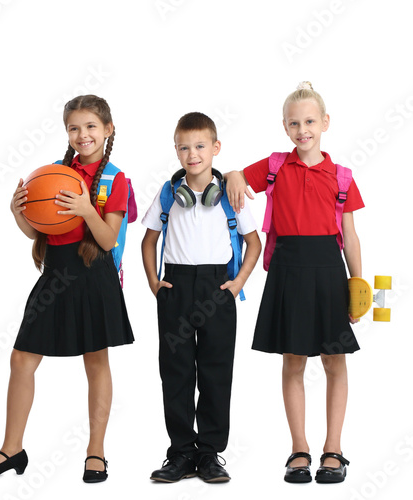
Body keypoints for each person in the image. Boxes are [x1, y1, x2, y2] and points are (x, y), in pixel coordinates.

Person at [0, 95, 134, 483]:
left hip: (95, 274)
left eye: (91, 126)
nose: (82, 134)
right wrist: (18, 212)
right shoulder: (56, 173)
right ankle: (12, 449)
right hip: (56, 273)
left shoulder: (115, 179)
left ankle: (96, 452)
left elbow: (109, 240)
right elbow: (39, 231)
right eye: (74, 128)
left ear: (108, 130)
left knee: (95, 362)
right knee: (21, 359)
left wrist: (86, 208)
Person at [225, 82, 364, 484]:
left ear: (325, 123)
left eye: (309, 121)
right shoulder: (274, 166)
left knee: (335, 361)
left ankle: (333, 449)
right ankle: (299, 449)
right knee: (293, 361)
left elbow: (351, 237)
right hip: (287, 270)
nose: (302, 129)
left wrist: (359, 284)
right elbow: (237, 176)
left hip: (329, 272)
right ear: (285, 127)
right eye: (294, 123)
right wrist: (234, 174)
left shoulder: (341, 176)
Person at [142, 112, 261, 483]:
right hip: (176, 288)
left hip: (217, 287)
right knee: (175, 372)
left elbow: (253, 242)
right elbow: (149, 240)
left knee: (215, 371)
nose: (192, 154)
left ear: (215, 148)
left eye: (200, 146)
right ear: (176, 151)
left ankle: (209, 454)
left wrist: (238, 282)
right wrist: (153, 282)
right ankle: (180, 453)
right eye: (184, 147)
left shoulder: (229, 193)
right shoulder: (167, 194)